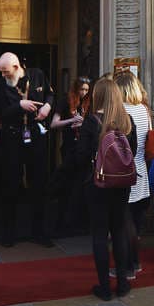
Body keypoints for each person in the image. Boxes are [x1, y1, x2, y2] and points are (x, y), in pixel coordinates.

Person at [70, 78, 136, 301]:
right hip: (122, 184)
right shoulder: (127, 122)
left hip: (97, 184)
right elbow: (132, 153)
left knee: (99, 234)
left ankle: (105, 287)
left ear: (97, 96)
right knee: (118, 230)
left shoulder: (91, 122)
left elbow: (79, 157)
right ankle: (123, 283)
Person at [0, 52, 54, 247]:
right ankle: (8, 234)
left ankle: (40, 232)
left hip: (35, 135)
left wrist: (47, 107)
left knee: (39, 183)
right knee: (10, 184)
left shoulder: (37, 75)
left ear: (17, 68)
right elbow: (1, 113)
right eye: (1, 72)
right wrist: (19, 104)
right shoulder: (3, 85)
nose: (3, 75)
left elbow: (51, 94)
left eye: (6, 72)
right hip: (13, 137)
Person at [111, 71, 150, 280]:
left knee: (124, 222)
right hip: (141, 170)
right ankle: (135, 262)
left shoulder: (120, 111)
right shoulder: (144, 110)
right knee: (135, 221)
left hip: (124, 172)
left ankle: (126, 266)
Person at [51, 76, 91, 233]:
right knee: (67, 183)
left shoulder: (89, 102)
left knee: (82, 184)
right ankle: (62, 222)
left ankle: (80, 221)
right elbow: (54, 124)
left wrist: (84, 123)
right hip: (69, 147)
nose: (84, 93)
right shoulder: (65, 101)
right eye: (81, 89)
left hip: (84, 148)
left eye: (87, 90)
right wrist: (71, 121)